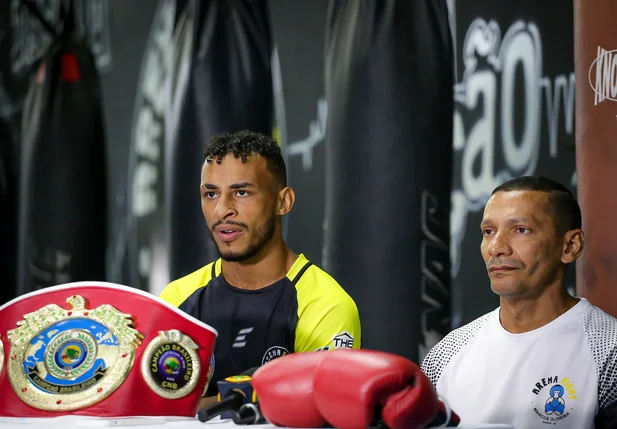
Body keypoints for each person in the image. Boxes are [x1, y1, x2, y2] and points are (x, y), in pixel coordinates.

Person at [159, 130, 361, 409]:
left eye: (241, 192)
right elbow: (153, 406)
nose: (221, 211)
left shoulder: (325, 305)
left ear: (283, 201)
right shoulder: (178, 298)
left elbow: (320, 411)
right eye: (210, 194)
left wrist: (202, 405)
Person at [421, 176, 617, 429]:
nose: (496, 247)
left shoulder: (609, 351)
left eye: (520, 230)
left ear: (570, 246)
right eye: (488, 232)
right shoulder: (445, 355)